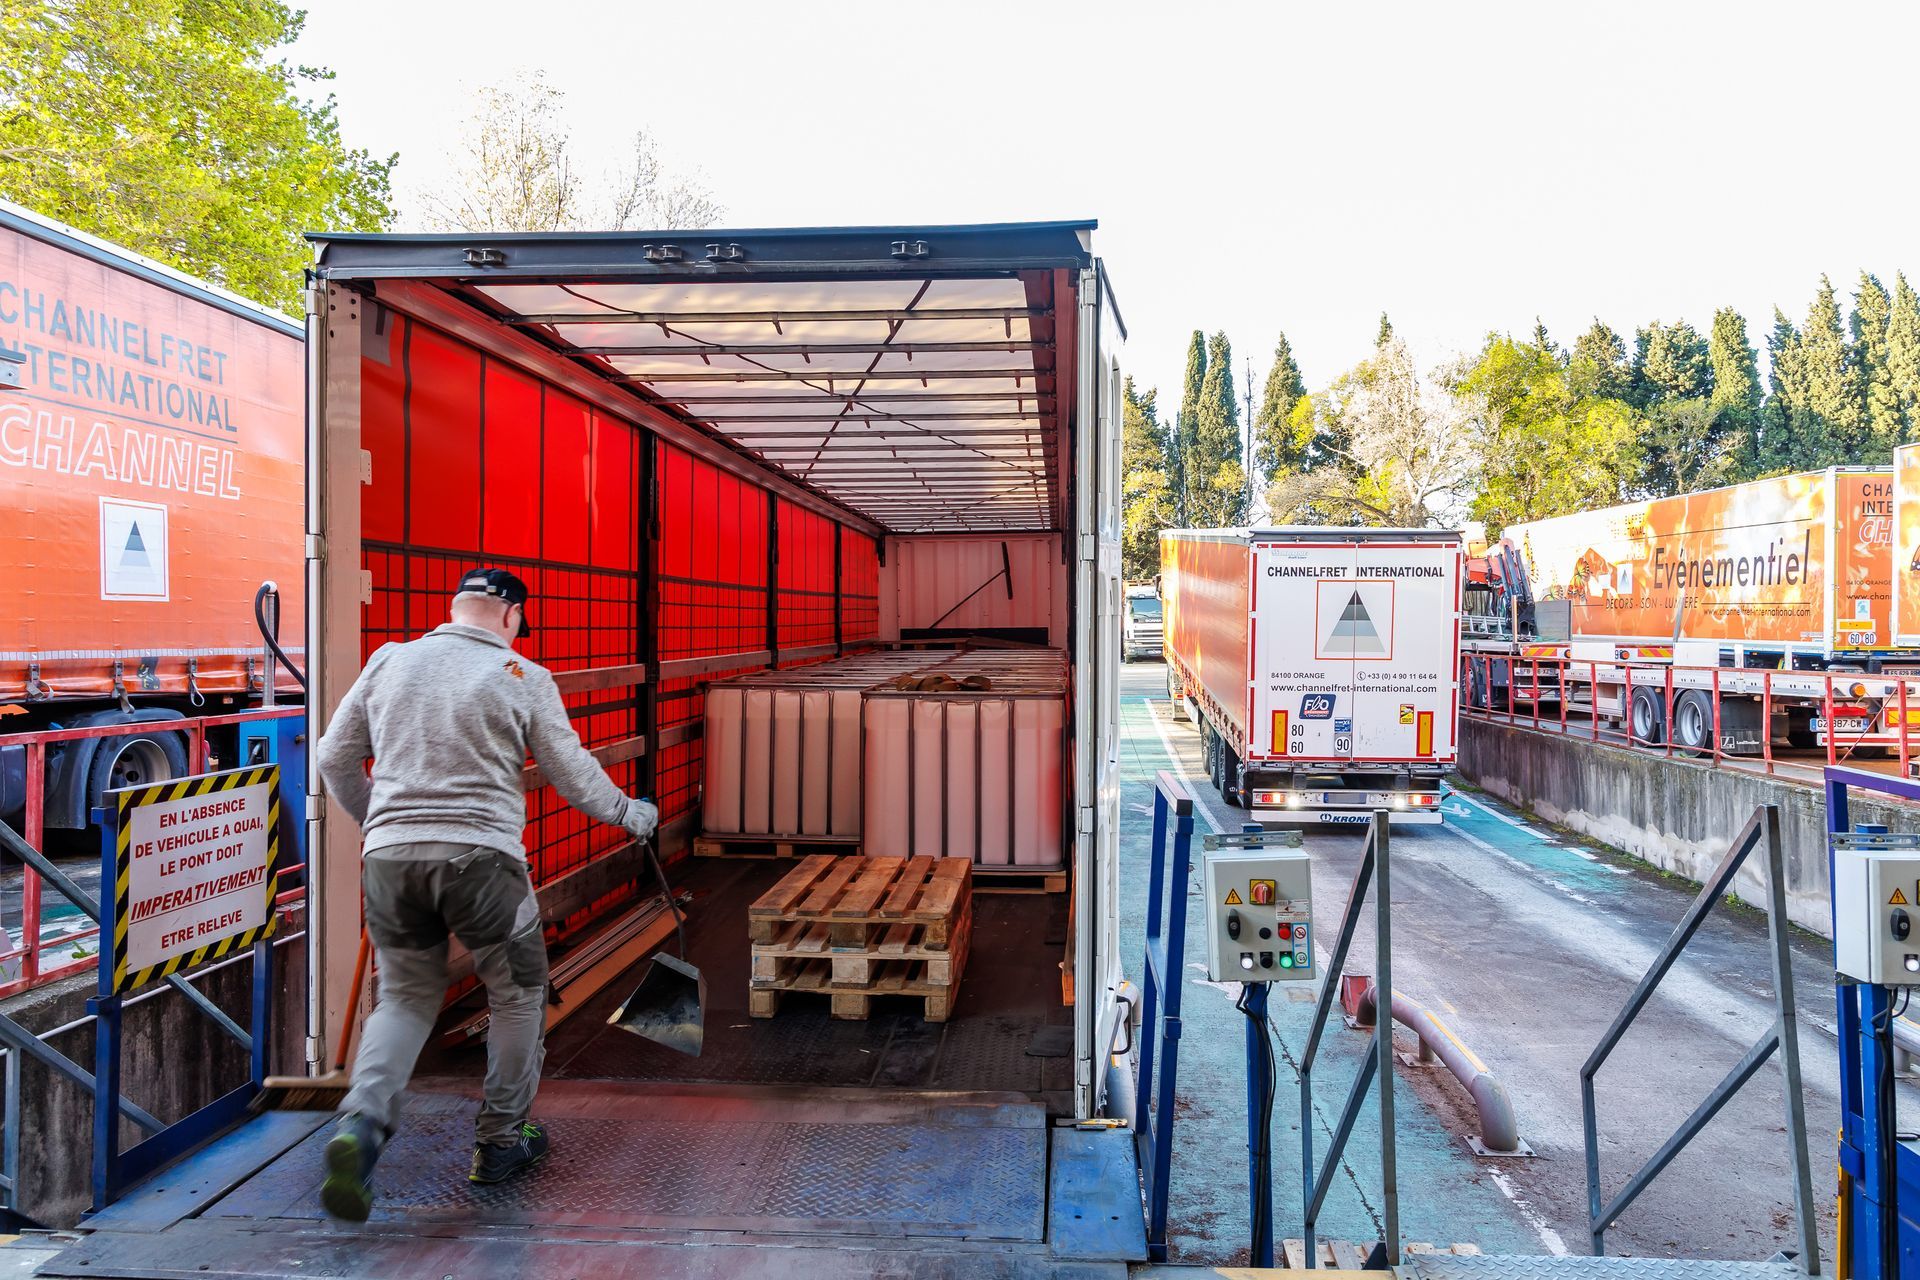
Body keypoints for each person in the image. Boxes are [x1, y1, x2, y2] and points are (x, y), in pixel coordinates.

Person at [313, 567, 658, 1221]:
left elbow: (334, 756)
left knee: (406, 998)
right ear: (512, 618)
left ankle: (359, 1128)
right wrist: (629, 814)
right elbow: (572, 772)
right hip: (482, 862)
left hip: (389, 861)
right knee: (518, 991)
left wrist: (382, 825)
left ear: (456, 609)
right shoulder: (521, 676)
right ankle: (501, 1141)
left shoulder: (388, 661)